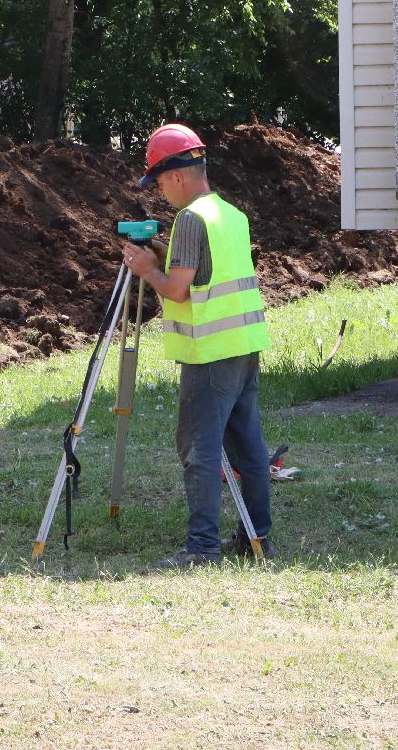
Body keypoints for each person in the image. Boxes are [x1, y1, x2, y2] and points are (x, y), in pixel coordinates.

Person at [121, 122, 274, 569]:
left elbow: (177, 290)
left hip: (209, 352)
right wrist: (164, 252)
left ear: (177, 176)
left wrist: (148, 267)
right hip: (244, 344)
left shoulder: (190, 219)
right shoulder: (230, 215)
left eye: (159, 183)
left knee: (199, 449)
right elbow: (209, 269)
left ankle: (202, 548)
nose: (160, 193)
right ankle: (256, 535)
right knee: (249, 446)